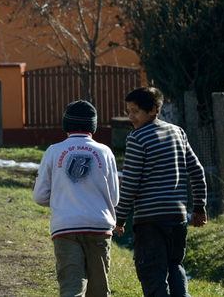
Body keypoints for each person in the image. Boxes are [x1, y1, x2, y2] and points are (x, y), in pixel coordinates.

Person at [115, 87, 208, 297]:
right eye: (128, 111)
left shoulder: (137, 139)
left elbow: (130, 183)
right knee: (175, 265)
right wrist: (199, 207)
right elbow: (197, 170)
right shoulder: (177, 132)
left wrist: (120, 218)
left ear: (153, 110)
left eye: (136, 111)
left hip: (150, 221)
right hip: (177, 218)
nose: (131, 116)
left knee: (152, 271)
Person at [33, 100, 120, 297]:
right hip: (99, 227)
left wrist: (61, 200)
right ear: (93, 126)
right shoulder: (105, 152)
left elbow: (39, 196)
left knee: (71, 288)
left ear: (66, 124)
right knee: (99, 289)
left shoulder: (53, 151)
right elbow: (114, 198)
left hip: (65, 228)